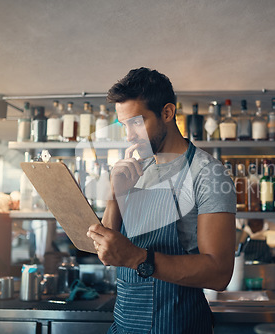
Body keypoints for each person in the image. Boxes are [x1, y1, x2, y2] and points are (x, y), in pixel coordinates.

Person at [87, 67, 236, 333]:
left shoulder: (208, 173)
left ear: (167, 113)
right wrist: (114, 195)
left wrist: (137, 258)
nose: (130, 136)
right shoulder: (135, 170)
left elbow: (220, 273)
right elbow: (108, 255)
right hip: (125, 326)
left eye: (136, 122)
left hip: (177, 326)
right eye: (124, 126)